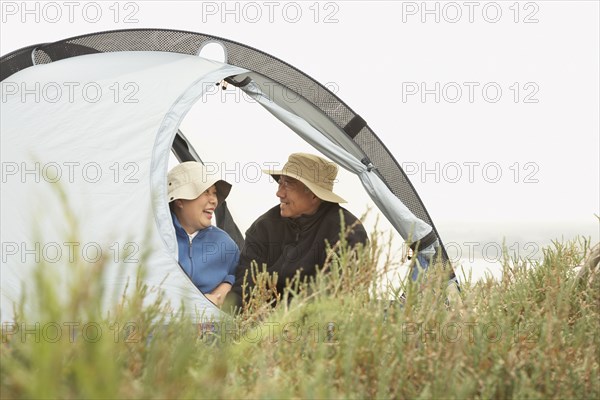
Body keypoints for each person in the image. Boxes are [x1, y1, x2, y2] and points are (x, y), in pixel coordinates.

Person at [226, 153, 368, 309]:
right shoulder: (264, 227)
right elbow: (243, 289)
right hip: (261, 323)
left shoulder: (347, 232)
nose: (279, 193)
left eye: (288, 185)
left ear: (314, 195)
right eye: (280, 183)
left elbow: (333, 294)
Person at [168, 161, 240, 307]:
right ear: (180, 200)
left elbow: (243, 278)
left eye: (214, 193)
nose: (214, 200)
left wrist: (226, 286)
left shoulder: (225, 244)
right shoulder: (157, 239)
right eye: (205, 192)